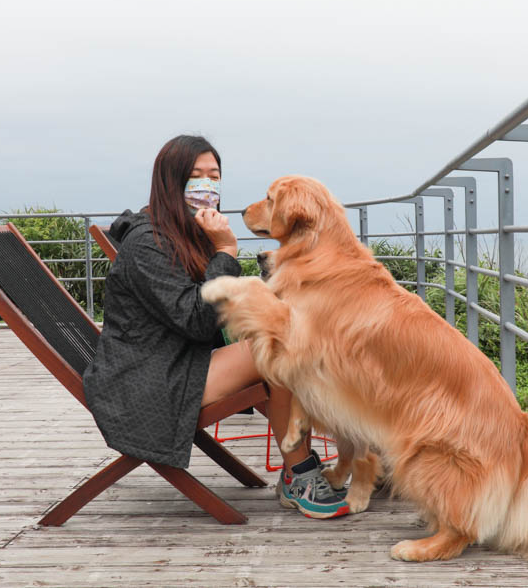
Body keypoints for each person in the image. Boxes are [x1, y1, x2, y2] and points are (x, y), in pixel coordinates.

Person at [83, 134, 349, 519]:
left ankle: (318, 462)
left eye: (214, 174)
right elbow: (196, 318)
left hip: (169, 363)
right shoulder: (147, 243)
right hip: (145, 384)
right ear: (170, 183)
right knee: (274, 348)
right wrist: (224, 251)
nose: (208, 184)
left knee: (284, 340)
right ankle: (300, 474)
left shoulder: (177, 232)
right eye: (196, 175)